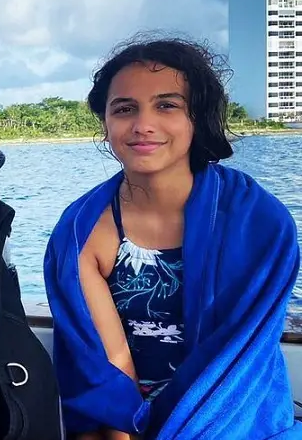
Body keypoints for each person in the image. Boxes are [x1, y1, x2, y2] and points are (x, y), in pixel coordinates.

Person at [43, 35, 302, 439]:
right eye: (125, 108)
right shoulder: (81, 231)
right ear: (106, 123)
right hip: (124, 426)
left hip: (241, 424)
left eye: (167, 105)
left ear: (197, 117)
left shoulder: (257, 223)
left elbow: (236, 364)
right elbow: (107, 367)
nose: (143, 124)